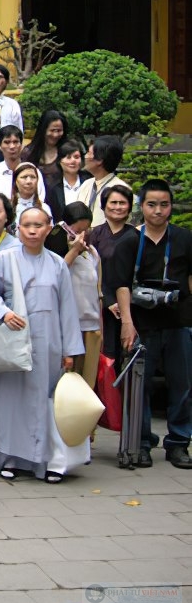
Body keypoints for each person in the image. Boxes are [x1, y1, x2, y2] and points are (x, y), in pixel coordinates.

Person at [0, 206, 84, 482]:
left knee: (46, 403)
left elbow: (67, 308)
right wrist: (4, 313)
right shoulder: (3, 259)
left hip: (49, 342)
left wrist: (70, 350)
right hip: (12, 340)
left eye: (38, 225)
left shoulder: (57, 264)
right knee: (11, 402)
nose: (31, 231)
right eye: (26, 225)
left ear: (48, 228)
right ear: (17, 229)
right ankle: (10, 458)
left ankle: (49, 461)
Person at [110, 179, 192, 469]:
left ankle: (179, 443)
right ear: (141, 206)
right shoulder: (130, 240)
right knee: (140, 387)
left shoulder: (184, 238)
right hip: (142, 324)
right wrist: (127, 323)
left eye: (164, 204)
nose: (158, 210)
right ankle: (141, 443)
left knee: (182, 385)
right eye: (152, 204)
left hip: (179, 322)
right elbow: (121, 285)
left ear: (171, 206)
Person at [89, 184, 137, 362]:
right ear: (104, 206)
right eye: (113, 202)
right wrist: (108, 300)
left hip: (128, 305)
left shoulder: (135, 236)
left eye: (122, 203)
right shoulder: (94, 234)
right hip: (100, 303)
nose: (118, 207)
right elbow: (89, 271)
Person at [57, 201, 103, 389]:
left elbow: (98, 291)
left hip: (92, 326)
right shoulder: (56, 250)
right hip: (67, 326)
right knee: (66, 384)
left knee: (87, 384)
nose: (82, 235)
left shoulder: (92, 252)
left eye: (86, 230)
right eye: (77, 231)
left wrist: (101, 327)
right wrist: (74, 250)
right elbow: (56, 274)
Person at [78, 136, 131, 226]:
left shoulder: (122, 189)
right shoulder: (86, 184)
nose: (85, 156)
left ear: (99, 160)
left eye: (89, 153)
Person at [45, 139, 86, 225]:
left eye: (76, 157)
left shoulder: (89, 181)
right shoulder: (52, 186)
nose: (73, 161)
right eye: (68, 157)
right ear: (60, 161)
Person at [23, 109, 68, 183]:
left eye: (59, 131)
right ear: (43, 130)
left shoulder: (67, 151)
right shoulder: (28, 152)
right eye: (52, 130)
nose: (55, 135)